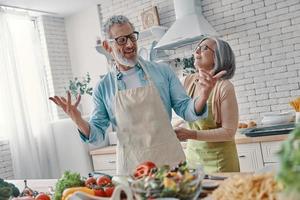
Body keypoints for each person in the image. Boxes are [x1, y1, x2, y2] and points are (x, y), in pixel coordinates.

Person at [49, 15, 225, 175]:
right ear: (107, 46)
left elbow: (186, 109)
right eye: (121, 40)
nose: (130, 45)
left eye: (132, 37)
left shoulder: (162, 72)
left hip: (171, 164)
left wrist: (203, 95)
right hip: (132, 169)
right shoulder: (103, 88)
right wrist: (77, 119)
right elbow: (96, 136)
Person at [175, 36, 240, 173]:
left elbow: (228, 132)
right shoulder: (187, 82)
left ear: (218, 57)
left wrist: (190, 134)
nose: (197, 51)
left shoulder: (224, 87)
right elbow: (189, 113)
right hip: (193, 161)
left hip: (220, 163)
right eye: (197, 48)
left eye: (204, 48)